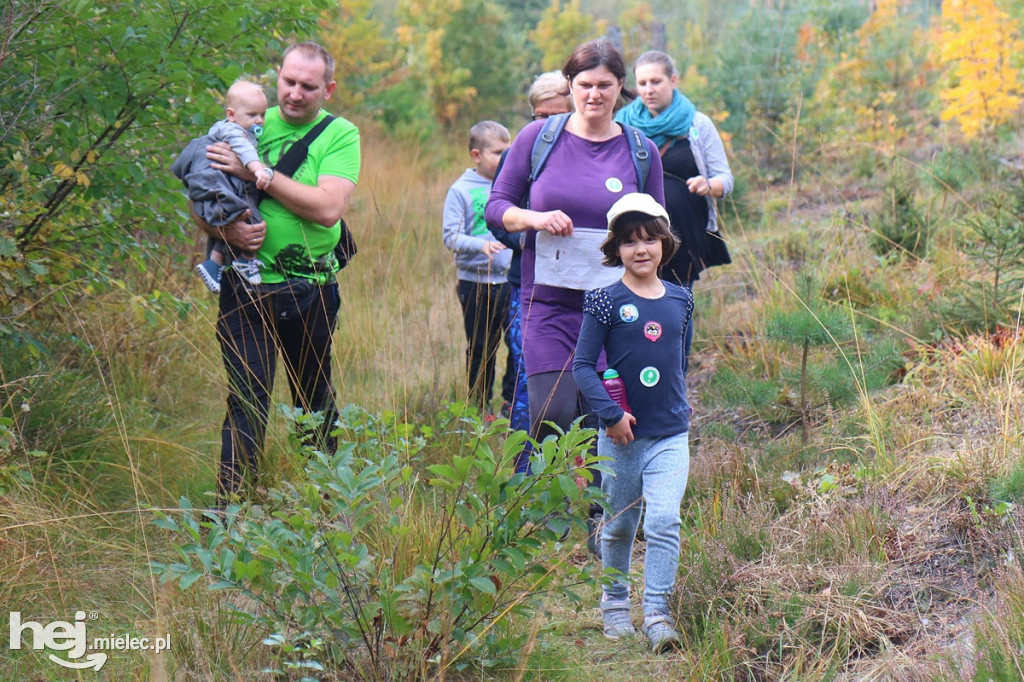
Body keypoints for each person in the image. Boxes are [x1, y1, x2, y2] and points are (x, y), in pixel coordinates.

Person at [485, 39, 664, 550]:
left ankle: (603, 520)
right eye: (584, 85)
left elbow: (659, 229)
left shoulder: (638, 150)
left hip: (617, 309)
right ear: (570, 86)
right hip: (550, 307)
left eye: (605, 85)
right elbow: (497, 207)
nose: (594, 95)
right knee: (551, 410)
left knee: (608, 411)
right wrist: (535, 219)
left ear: (619, 89)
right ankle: (549, 506)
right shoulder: (536, 139)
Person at [190, 42, 360, 504]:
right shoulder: (245, 120)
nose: (296, 94)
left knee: (315, 402)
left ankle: (326, 513)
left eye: (309, 86)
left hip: (312, 288)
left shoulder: (339, 134)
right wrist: (226, 231)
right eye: (289, 82)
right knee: (247, 402)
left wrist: (261, 174)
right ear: (277, 76)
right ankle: (230, 517)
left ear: (329, 88)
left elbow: (328, 209)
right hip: (245, 287)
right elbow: (202, 203)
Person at [571, 192, 692, 653]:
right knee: (619, 526)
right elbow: (583, 365)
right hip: (621, 436)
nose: (641, 249)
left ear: (665, 242)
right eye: (629, 241)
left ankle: (658, 614)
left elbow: (679, 360)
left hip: (671, 434)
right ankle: (615, 604)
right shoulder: (604, 301)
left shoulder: (682, 299)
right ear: (615, 249)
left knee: (663, 519)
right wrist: (611, 414)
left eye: (650, 239)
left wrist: (678, 407)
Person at [615, 50, 733, 374]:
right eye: (642, 83)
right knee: (634, 304)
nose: (649, 89)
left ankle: (674, 377)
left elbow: (726, 178)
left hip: (683, 234)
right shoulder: (621, 125)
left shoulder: (696, 123)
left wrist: (709, 184)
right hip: (633, 235)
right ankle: (638, 376)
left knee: (676, 303)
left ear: (673, 81)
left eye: (656, 81)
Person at [488, 71, 573, 473]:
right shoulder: (525, 148)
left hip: (588, 287)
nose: (548, 124)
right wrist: (529, 235)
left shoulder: (591, 148)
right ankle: (523, 477)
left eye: (558, 114)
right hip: (531, 288)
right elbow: (496, 216)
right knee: (528, 383)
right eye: (541, 115)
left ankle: (590, 482)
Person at [172, 80, 275, 292]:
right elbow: (245, 152)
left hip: (229, 185)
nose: (260, 120)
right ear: (232, 114)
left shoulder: (235, 128)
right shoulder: (234, 132)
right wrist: (258, 170)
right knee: (251, 220)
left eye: (262, 115)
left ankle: (214, 263)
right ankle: (246, 260)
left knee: (233, 221)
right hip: (233, 187)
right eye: (253, 115)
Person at [442, 120, 514, 416]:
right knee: (482, 348)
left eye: (508, 151)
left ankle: (513, 403)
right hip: (476, 284)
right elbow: (451, 236)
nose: (505, 158)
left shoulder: (513, 185)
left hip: (511, 281)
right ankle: (480, 409)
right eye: (498, 153)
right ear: (476, 155)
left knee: (518, 345)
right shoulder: (460, 190)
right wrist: (480, 245)